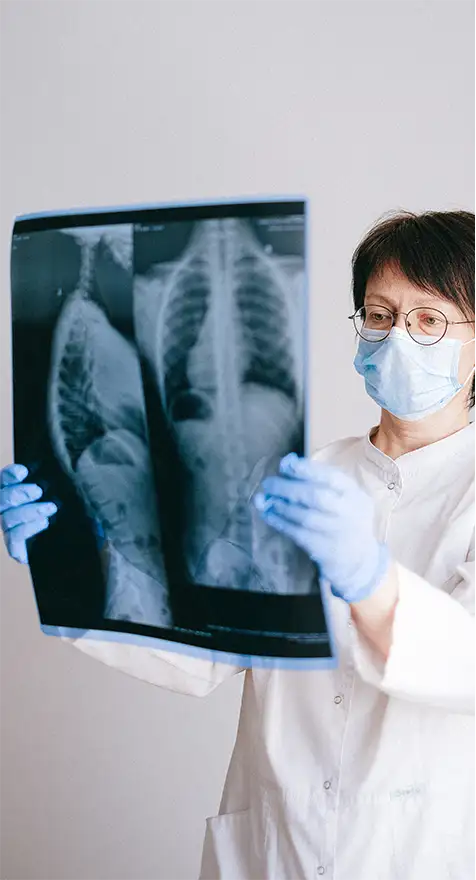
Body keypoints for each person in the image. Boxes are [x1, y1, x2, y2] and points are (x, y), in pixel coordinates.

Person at [2, 208, 476, 879]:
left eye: (429, 319)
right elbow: (202, 652)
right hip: (273, 849)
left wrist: (372, 581)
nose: (398, 335)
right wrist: (72, 563)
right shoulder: (296, 474)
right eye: (380, 313)